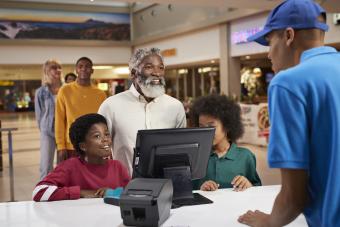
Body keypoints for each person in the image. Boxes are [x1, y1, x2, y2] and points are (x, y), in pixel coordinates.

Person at [238, 0, 340, 226]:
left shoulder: (288, 83)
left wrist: (267, 221)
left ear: (289, 36)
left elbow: (294, 197)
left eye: (269, 42)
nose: (268, 55)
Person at [98, 48, 186, 175]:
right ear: (133, 73)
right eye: (149, 67)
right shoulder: (111, 106)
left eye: (161, 68)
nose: (157, 73)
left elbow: (181, 149)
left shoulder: (175, 106)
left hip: (166, 184)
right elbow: (100, 150)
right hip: (125, 186)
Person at [32, 113, 130, 202]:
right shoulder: (70, 166)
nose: (105, 140)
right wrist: (81, 193)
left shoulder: (118, 167)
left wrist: (113, 193)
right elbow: (39, 191)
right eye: (97, 136)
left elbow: (133, 194)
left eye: (107, 134)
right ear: (83, 146)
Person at [190, 95, 261, 191]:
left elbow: (259, 189)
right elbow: (188, 191)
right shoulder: (196, 156)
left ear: (227, 126)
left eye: (212, 126)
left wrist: (248, 185)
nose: (206, 131)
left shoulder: (246, 157)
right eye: (201, 126)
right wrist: (200, 189)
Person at [55, 57, 107, 163]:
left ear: (92, 70)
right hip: (71, 145)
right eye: (80, 66)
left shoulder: (100, 94)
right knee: (72, 179)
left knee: (93, 178)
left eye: (87, 66)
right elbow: (59, 120)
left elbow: (104, 122)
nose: (84, 69)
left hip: (94, 145)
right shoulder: (65, 91)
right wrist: (61, 146)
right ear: (76, 70)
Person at [35, 59, 62, 179]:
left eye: (59, 67)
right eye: (54, 67)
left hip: (63, 132)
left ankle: (62, 191)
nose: (57, 70)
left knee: (63, 165)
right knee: (46, 166)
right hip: (47, 132)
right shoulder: (41, 92)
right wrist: (45, 129)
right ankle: (44, 190)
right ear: (46, 71)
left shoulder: (66, 89)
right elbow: (39, 115)